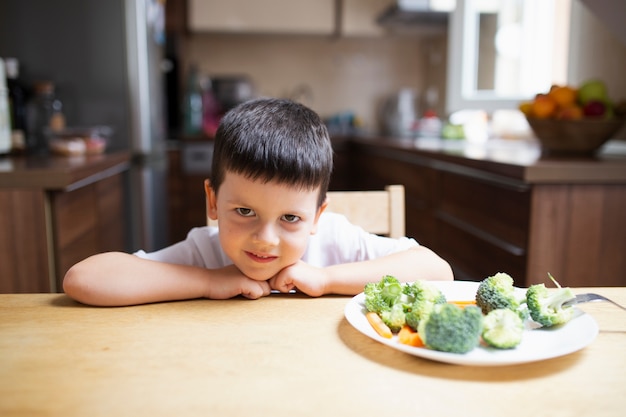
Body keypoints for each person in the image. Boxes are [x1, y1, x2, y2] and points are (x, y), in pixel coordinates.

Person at [63, 98, 453, 306]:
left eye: (290, 218)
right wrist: (209, 281)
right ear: (213, 203)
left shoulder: (335, 242)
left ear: (317, 217)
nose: (265, 239)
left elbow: (437, 271)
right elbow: (83, 280)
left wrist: (327, 279)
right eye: (245, 211)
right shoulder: (205, 250)